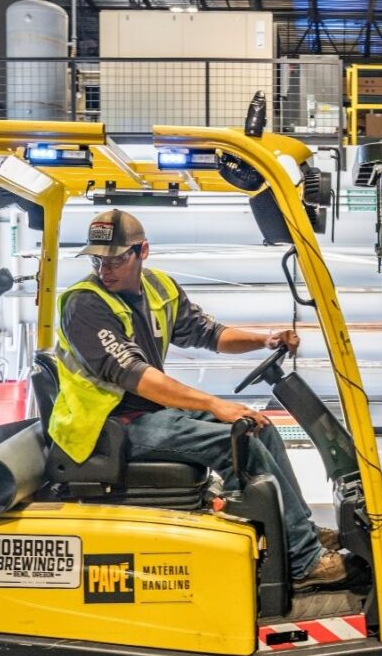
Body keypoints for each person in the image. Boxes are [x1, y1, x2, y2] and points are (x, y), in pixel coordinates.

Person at [48, 209, 346, 590]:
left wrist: (264, 339)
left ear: (143, 252)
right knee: (237, 444)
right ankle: (303, 560)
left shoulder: (158, 288)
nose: (105, 269)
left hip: (145, 413)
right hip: (106, 427)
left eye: (116, 258)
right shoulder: (85, 305)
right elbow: (134, 375)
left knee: (260, 428)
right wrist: (211, 404)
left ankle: (297, 531)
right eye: (98, 259)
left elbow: (210, 334)